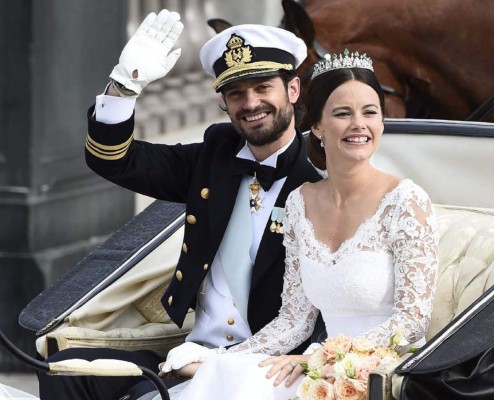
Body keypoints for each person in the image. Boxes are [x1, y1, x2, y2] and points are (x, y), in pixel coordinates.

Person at [36, 9, 323, 400]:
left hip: (268, 367)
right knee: (66, 373)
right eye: (236, 93)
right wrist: (125, 86)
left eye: (263, 87)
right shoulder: (215, 155)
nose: (250, 103)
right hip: (190, 351)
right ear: (223, 101)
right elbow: (114, 159)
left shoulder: (321, 177)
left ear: (292, 90)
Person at [136, 50, 440, 400]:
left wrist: (325, 357)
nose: (359, 124)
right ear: (318, 127)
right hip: (312, 366)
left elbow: (412, 321)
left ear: (382, 122)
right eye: (343, 113)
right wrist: (224, 360)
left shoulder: (406, 201)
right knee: (230, 384)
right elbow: (295, 319)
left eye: (370, 112)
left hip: (383, 373)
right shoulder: (300, 201)